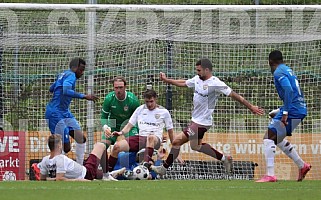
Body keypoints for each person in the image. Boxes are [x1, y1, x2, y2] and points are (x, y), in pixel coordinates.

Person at [151, 58, 264, 176]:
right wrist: (166, 80)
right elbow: (183, 83)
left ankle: (163, 168)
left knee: (176, 142)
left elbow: (234, 95)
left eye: (199, 70)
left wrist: (251, 107)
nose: (197, 72)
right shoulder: (197, 79)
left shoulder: (216, 83)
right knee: (196, 146)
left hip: (202, 122)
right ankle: (224, 158)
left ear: (207, 70)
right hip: (196, 120)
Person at [256, 50, 311, 182]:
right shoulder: (287, 69)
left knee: (269, 137)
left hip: (293, 110)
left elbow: (288, 89)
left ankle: (270, 175)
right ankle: (302, 165)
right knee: (277, 139)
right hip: (299, 108)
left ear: (270, 61)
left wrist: (285, 112)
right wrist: (280, 110)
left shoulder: (278, 72)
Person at [44, 58, 98, 166]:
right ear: (74, 68)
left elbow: (51, 89)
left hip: (64, 112)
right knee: (66, 147)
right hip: (55, 113)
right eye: (81, 69)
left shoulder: (63, 74)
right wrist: (84, 96)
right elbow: (66, 90)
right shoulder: (71, 75)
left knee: (81, 138)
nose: (82, 73)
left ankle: (80, 168)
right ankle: (48, 166)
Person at [107, 89, 174, 173]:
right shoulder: (140, 109)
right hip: (141, 138)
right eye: (147, 102)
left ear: (156, 99)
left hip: (155, 139)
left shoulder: (164, 112)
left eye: (151, 101)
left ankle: (145, 165)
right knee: (116, 147)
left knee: (151, 137)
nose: (149, 104)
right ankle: (107, 173)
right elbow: (129, 125)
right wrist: (121, 133)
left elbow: (170, 131)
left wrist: (175, 147)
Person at [39, 134, 125, 181]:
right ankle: (107, 175)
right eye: (61, 143)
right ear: (58, 146)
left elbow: (43, 179)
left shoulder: (45, 160)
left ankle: (109, 174)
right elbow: (60, 179)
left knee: (98, 174)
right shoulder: (60, 159)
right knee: (101, 145)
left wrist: (50, 179)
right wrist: (79, 180)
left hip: (83, 169)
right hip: (86, 173)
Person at [100, 76, 140, 174]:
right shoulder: (109, 98)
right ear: (113, 88)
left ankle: (134, 170)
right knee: (102, 146)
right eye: (116, 88)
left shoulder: (133, 100)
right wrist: (106, 127)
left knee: (135, 145)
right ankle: (106, 172)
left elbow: (139, 118)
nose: (118, 90)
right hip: (113, 124)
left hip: (129, 124)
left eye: (121, 87)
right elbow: (104, 116)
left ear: (125, 87)